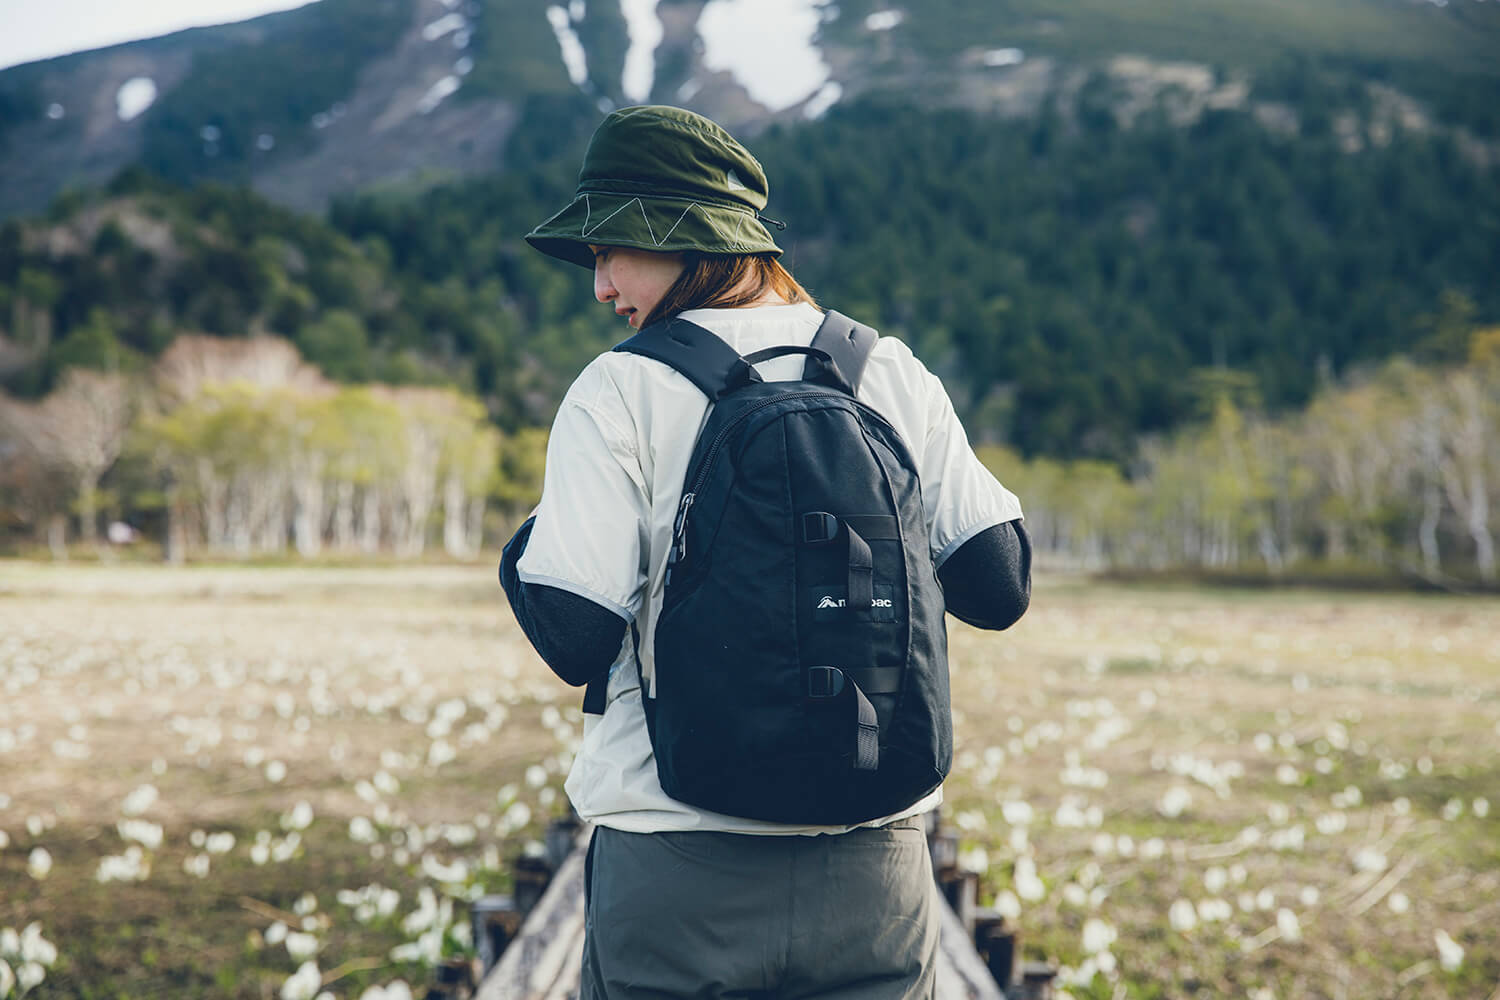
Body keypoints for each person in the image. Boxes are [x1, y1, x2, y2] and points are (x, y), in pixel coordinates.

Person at [500, 105, 1030, 1000]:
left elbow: (575, 635)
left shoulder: (622, 388)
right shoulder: (884, 368)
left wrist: (524, 547)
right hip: (877, 870)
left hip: (672, 871)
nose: (600, 286)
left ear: (682, 240)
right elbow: (999, 584)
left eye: (609, 249)